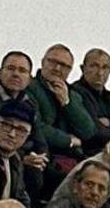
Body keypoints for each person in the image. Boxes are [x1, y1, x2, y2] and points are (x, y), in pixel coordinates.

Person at [25, 44, 95, 174]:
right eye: (53, 62)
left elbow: (88, 130)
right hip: (40, 156)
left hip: (71, 161)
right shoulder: (29, 87)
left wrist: (67, 103)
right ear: (42, 62)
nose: (57, 68)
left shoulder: (74, 95)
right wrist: (68, 140)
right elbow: (35, 126)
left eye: (64, 66)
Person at [70, 48, 110, 149]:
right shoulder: (74, 93)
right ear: (83, 68)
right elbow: (94, 132)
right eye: (94, 66)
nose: (100, 73)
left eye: (105, 68)